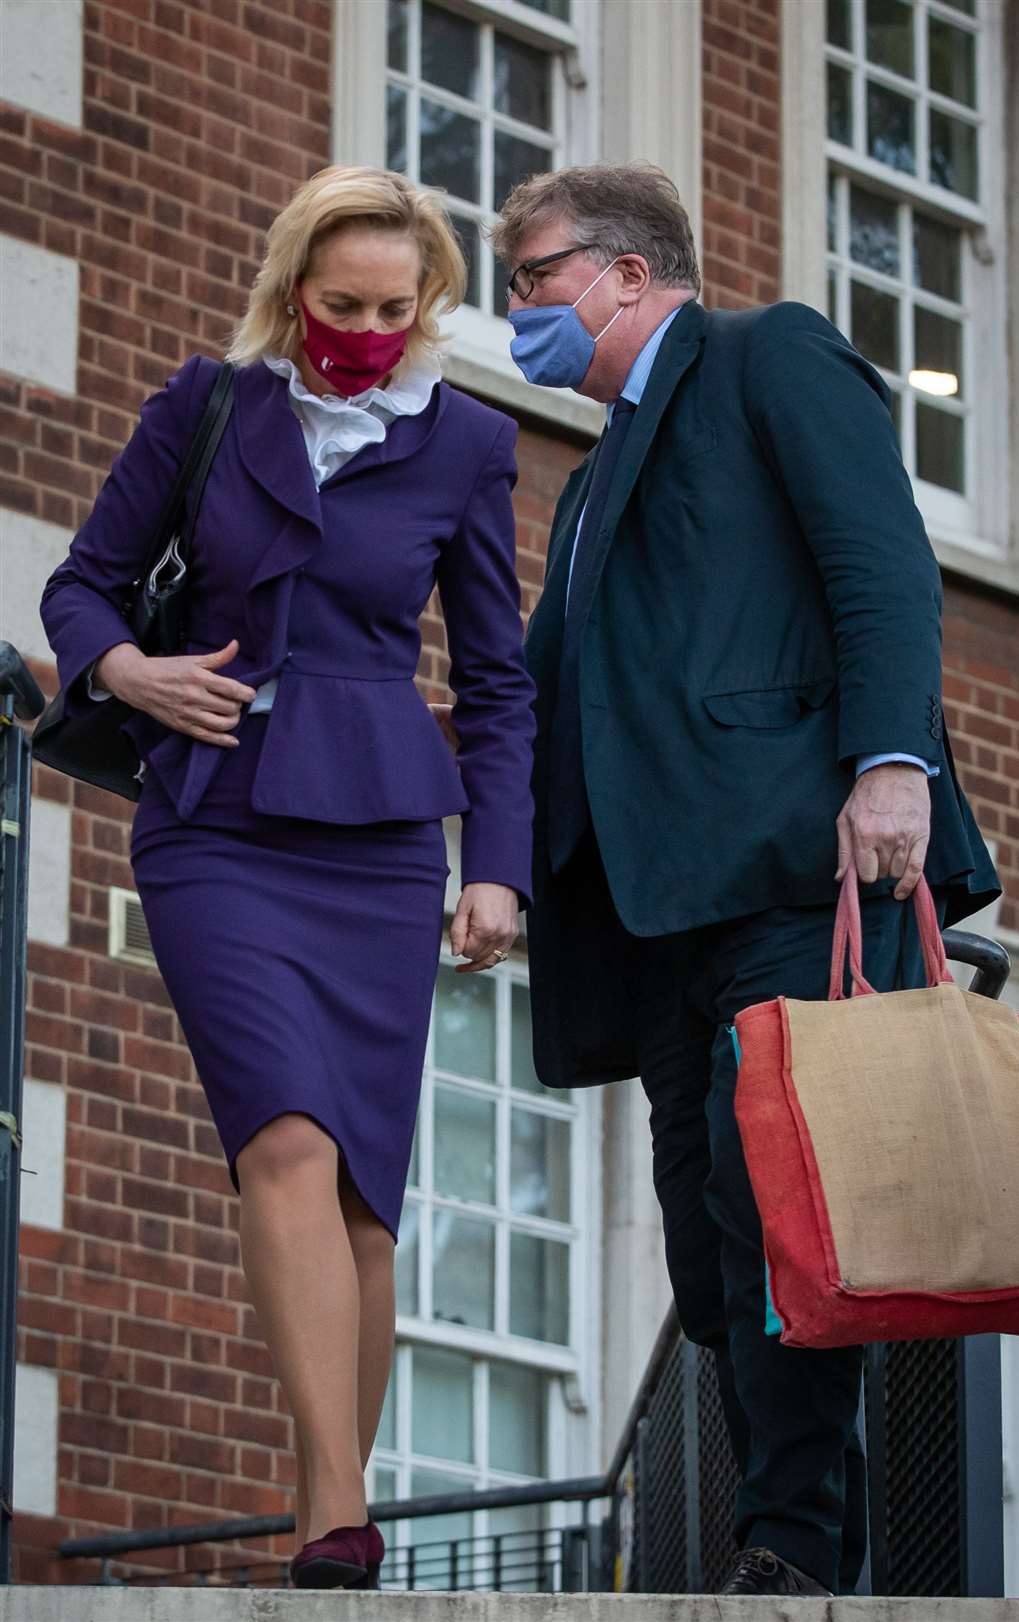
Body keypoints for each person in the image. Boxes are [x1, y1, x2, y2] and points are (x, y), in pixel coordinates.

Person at [491, 163, 998, 1599]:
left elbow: (879, 563)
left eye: (532, 276)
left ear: (630, 273)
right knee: (713, 1252)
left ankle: (793, 1538)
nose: (516, 306)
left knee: (775, 1203)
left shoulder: (766, 353)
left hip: (793, 863)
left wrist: (891, 760)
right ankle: (779, 1515)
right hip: (654, 918)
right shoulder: (587, 488)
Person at [40, 165, 536, 1591]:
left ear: (427, 304)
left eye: (398, 308)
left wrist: (495, 870)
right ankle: (334, 1509)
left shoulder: (466, 445)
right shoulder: (205, 405)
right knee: (288, 1141)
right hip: (217, 827)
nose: (369, 330)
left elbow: (498, 682)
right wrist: (129, 666)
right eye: (343, 305)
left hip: (382, 840)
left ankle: (332, 1503)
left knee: (366, 1196)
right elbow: (82, 583)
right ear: (291, 292)